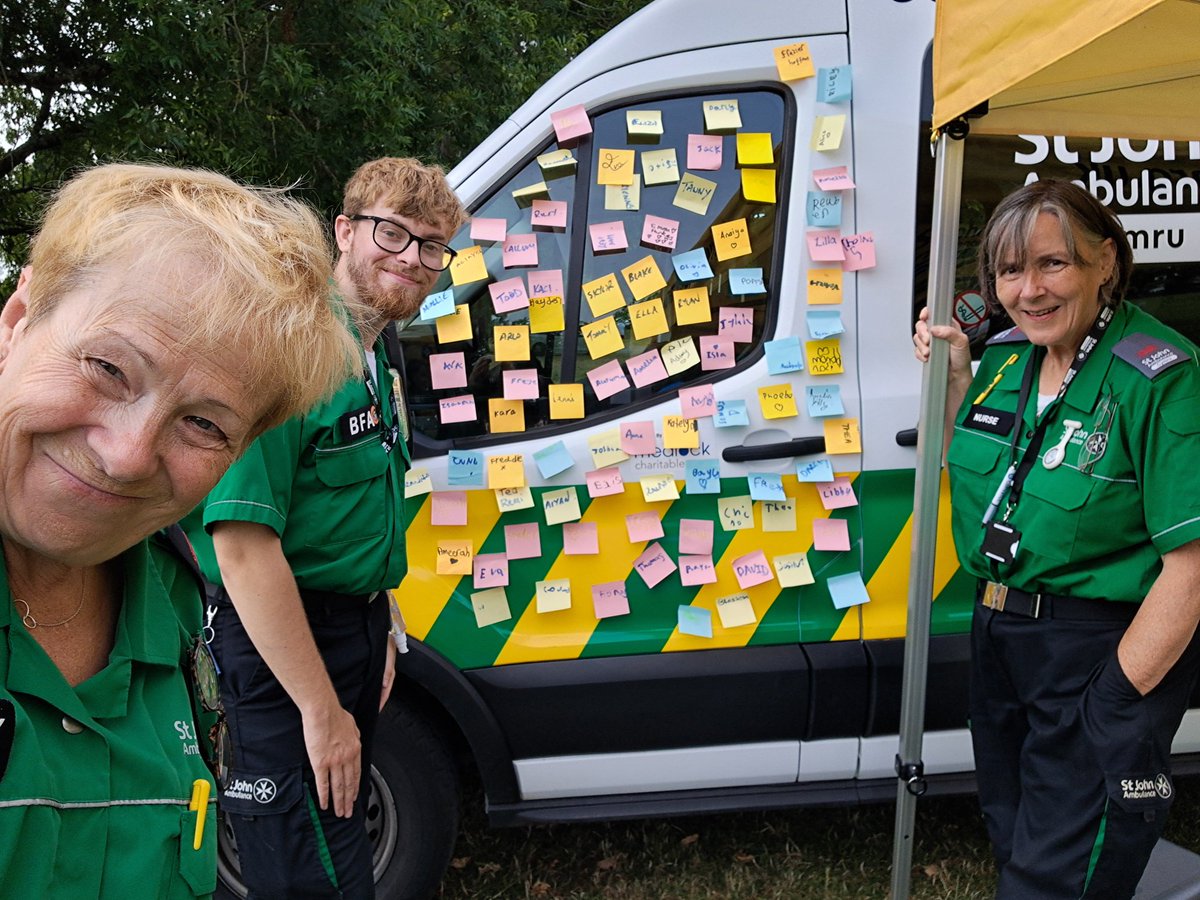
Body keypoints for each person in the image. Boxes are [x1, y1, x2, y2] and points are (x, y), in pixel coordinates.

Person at [0, 163, 353, 898]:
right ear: (18, 320)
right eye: (107, 366)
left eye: (203, 424)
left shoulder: (176, 599)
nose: (127, 454)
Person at [186, 157, 466, 899]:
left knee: (340, 855)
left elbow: (354, 502)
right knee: (309, 877)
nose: (414, 258)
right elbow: (242, 547)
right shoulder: (286, 351)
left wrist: (383, 618)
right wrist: (319, 708)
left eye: (433, 245)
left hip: (353, 637)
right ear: (344, 232)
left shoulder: (377, 353)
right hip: (284, 653)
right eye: (393, 233)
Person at [914, 179, 1200, 899]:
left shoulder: (1159, 375)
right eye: (1010, 271)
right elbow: (978, 477)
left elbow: (1192, 569)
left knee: (1061, 874)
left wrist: (1115, 699)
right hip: (1003, 642)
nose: (1028, 290)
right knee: (1015, 836)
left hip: (1097, 648)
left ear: (1104, 261)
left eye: (1052, 265)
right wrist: (954, 380)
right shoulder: (1008, 361)